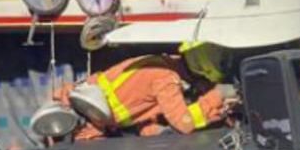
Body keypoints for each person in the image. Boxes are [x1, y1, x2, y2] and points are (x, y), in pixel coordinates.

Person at [56, 42, 238, 141]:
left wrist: (153, 132)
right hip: (86, 125)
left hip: (98, 119)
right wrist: (217, 96)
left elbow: (140, 107)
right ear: (204, 71)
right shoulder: (165, 78)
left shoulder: (163, 63)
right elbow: (184, 124)